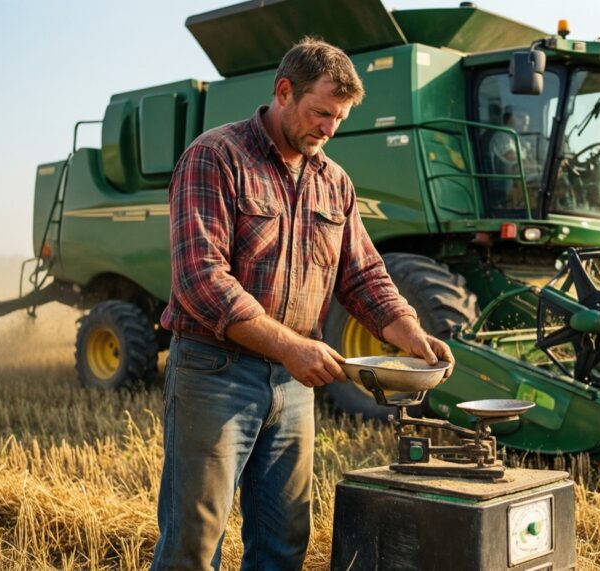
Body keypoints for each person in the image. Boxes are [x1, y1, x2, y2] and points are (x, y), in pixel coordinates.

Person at [151, 37, 454, 570]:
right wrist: (291, 345)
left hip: (292, 386)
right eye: (320, 113)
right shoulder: (216, 156)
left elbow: (362, 274)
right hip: (215, 371)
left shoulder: (333, 181)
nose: (329, 129)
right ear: (283, 92)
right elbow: (201, 278)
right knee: (193, 546)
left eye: (338, 118)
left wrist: (407, 330)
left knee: (283, 542)